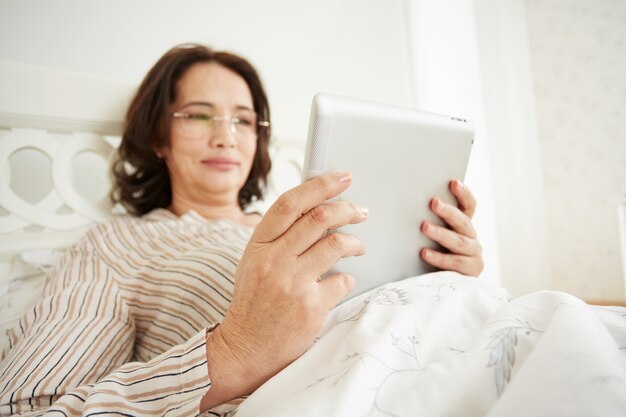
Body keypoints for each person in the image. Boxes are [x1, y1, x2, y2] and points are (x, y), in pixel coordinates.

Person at [0, 44, 483, 416]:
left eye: (244, 120)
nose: (226, 134)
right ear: (157, 137)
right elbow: (34, 406)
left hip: (468, 350)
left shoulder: (319, 219)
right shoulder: (117, 244)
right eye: (199, 115)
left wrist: (450, 275)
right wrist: (234, 351)